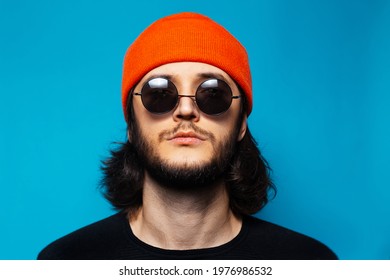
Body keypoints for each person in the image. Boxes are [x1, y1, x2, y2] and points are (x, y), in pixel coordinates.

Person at [38, 12, 337, 260]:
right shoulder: (65, 262)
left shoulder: (309, 263)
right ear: (131, 124)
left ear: (242, 123)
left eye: (212, 93)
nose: (185, 109)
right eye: (159, 93)